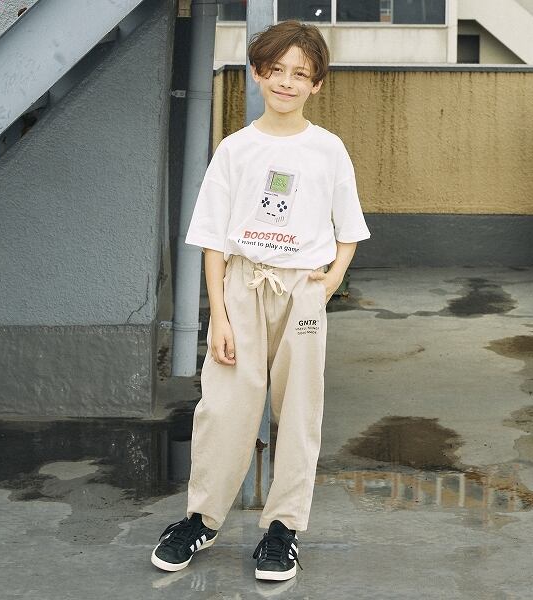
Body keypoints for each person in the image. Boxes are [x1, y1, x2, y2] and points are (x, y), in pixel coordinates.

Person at [151, 19, 370, 582]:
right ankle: (201, 518)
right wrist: (219, 315)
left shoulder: (328, 150)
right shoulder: (236, 150)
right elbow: (213, 241)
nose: (286, 82)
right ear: (257, 73)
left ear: (316, 83)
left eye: (300, 73)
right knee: (223, 407)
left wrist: (325, 286)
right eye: (276, 70)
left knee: (299, 410)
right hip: (242, 289)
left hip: (301, 293)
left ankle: (283, 529)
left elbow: (349, 230)